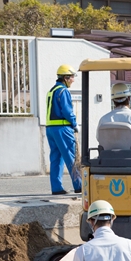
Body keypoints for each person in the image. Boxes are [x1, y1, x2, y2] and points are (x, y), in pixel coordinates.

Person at [46, 64, 82, 195]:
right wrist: (74, 123)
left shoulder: (52, 91)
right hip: (62, 128)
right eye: (72, 77)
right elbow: (67, 111)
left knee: (56, 158)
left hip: (50, 129)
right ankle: (79, 186)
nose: (73, 80)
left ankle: (56, 188)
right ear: (66, 78)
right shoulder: (64, 91)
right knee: (71, 157)